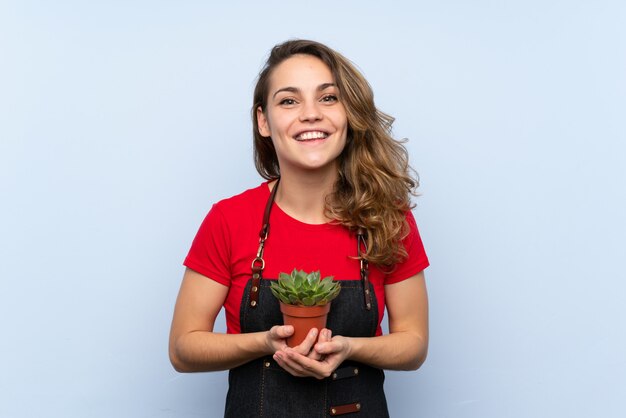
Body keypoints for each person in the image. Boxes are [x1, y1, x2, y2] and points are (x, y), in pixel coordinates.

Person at [169, 39, 430, 417]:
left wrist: (348, 348)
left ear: (349, 114)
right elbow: (182, 348)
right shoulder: (229, 219)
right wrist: (266, 342)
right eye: (289, 101)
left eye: (328, 98)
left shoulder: (388, 217)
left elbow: (414, 343)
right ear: (263, 120)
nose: (311, 114)